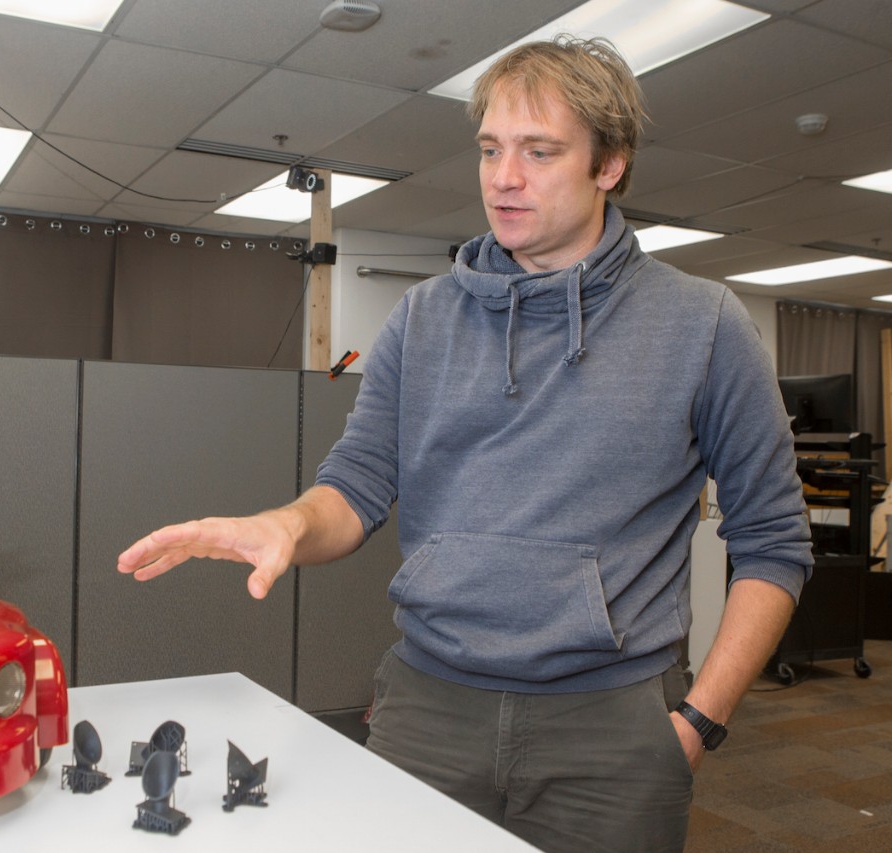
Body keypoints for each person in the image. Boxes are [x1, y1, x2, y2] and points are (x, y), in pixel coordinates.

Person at [117, 35, 811, 853]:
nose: (502, 177)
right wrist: (289, 525)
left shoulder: (704, 326)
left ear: (610, 164)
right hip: (428, 710)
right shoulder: (423, 317)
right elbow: (359, 484)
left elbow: (772, 542)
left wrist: (699, 720)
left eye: (539, 151)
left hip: (612, 730)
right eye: (490, 149)